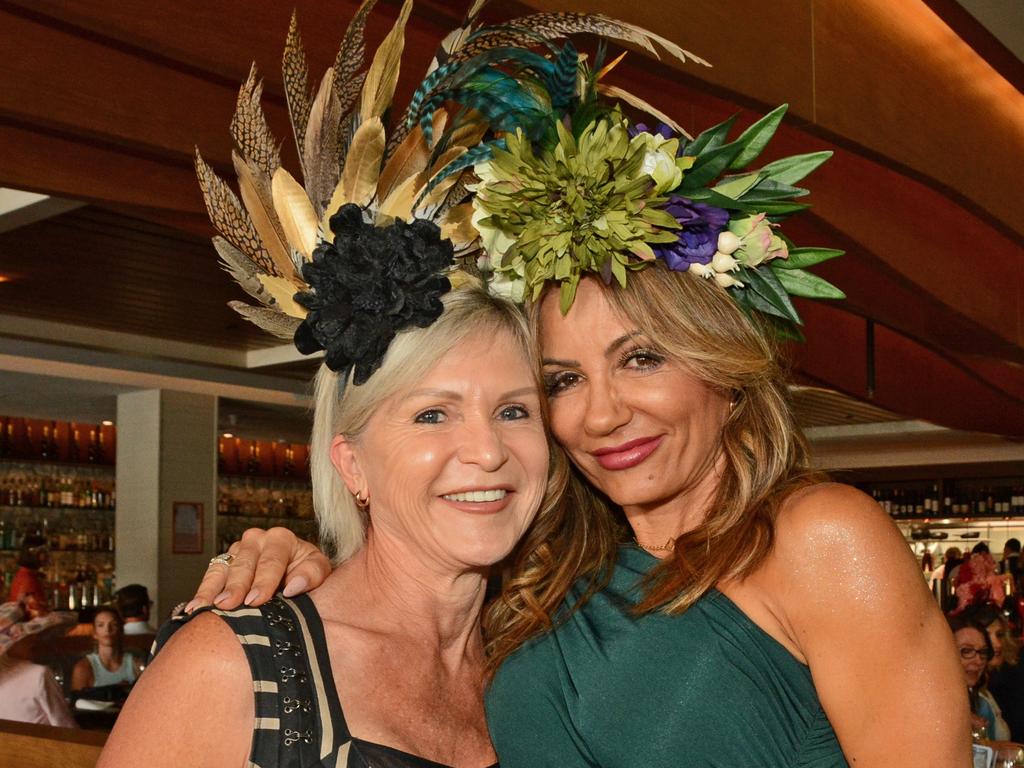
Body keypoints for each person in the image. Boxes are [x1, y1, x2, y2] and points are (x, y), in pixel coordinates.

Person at [131, 2, 970, 765]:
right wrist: (303, 559)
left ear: (728, 371)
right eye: (563, 379)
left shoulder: (823, 540)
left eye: (643, 358)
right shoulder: (547, 574)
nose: (603, 413)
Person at [0, 601, 77, 727]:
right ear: (10, 644)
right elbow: (66, 729)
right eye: (25, 636)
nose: (34, 638)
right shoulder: (38, 674)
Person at [965, 602, 1024, 741]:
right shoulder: (967, 690)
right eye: (987, 635)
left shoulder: (988, 685)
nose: (996, 644)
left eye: (999, 635)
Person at [949, 615, 1010, 741]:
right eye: (966, 651)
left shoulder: (982, 705)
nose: (978, 660)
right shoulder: (921, 704)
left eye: (982, 652)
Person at [71, 606, 140, 691]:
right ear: (94, 633)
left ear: (121, 630)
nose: (107, 629)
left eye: (113, 624)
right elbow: (78, 702)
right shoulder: (83, 668)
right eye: (101, 625)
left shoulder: (136, 665)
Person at [7, 534, 50, 617]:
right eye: (43, 551)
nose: (47, 555)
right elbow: (37, 614)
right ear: (32, 553)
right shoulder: (28, 579)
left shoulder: (25, 574)